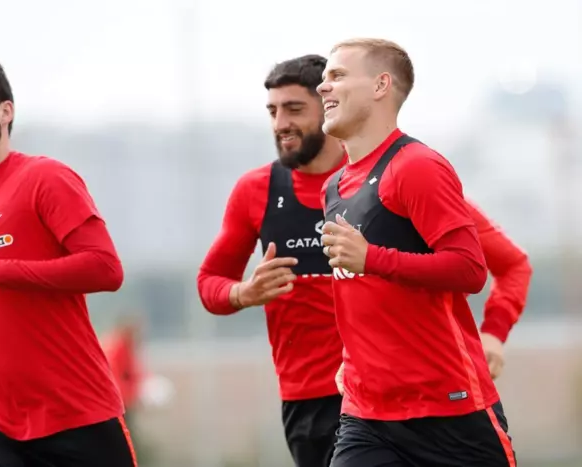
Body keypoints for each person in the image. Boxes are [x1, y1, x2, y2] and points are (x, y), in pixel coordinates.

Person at [0, 51, 137, 467]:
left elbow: (106, 269)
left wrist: (2, 271)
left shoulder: (45, 178)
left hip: (75, 412)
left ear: (6, 111)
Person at [317, 38, 518, 467]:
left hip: (450, 412)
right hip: (366, 415)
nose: (323, 86)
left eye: (337, 75)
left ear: (380, 85)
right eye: (324, 78)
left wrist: (372, 258)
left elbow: (470, 269)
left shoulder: (417, 166)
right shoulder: (333, 187)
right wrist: (356, 359)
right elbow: (363, 297)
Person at [197, 55, 347, 467]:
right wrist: (244, 293)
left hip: (384, 390)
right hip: (308, 400)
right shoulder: (255, 190)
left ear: (330, 108)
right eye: (273, 111)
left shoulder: (379, 176)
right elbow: (209, 282)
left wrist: (491, 333)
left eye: (294, 109)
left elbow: (474, 260)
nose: (281, 123)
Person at [335, 199, 533, 388]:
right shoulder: (344, 198)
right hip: (368, 381)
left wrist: (494, 331)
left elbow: (513, 265)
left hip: (446, 376)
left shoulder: (437, 198)